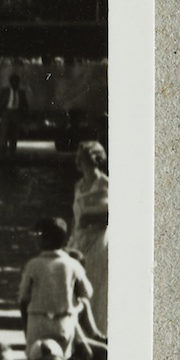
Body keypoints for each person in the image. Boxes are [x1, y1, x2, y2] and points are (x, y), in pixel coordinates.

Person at [17, 216, 100, 354]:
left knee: (36, 358)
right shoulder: (73, 265)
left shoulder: (33, 265)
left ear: (44, 240)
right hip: (63, 322)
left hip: (38, 322)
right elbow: (87, 292)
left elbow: (24, 295)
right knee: (59, 359)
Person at [72, 140, 112, 339]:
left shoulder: (106, 184)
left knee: (95, 288)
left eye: (84, 159)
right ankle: (81, 337)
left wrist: (92, 217)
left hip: (98, 243)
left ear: (96, 161)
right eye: (78, 159)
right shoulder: (79, 185)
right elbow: (76, 217)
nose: (79, 163)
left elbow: (113, 215)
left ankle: (99, 334)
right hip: (79, 242)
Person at [0, 72, 30, 158]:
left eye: (16, 82)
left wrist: (22, 115)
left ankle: (12, 152)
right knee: (4, 132)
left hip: (16, 113)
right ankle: (2, 152)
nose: (15, 84)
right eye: (13, 82)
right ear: (10, 83)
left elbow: (25, 105)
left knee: (14, 133)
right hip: (6, 112)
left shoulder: (21, 92)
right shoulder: (4, 91)